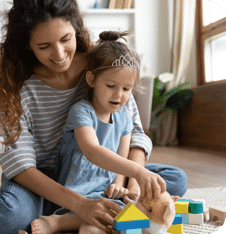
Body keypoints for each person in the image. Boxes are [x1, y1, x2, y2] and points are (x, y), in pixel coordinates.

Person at [0, 1, 187, 234]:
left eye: (65, 39)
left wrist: (134, 184)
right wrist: (81, 204)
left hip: (99, 173)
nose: (59, 54)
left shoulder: (103, 67)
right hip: (41, 177)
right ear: (27, 45)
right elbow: (20, 164)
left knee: (173, 180)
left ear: (76, 29)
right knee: (8, 218)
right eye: (44, 46)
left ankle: (68, 209)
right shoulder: (20, 87)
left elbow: (133, 131)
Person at [30, 30, 167, 234]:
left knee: (123, 208)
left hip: (105, 186)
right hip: (77, 186)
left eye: (127, 89)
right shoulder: (81, 112)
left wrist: (120, 185)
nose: (118, 95)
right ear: (92, 79)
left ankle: (93, 225)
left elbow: (123, 156)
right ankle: (57, 222)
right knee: (99, 206)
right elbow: (92, 150)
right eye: (111, 85)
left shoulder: (124, 116)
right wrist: (138, 172)